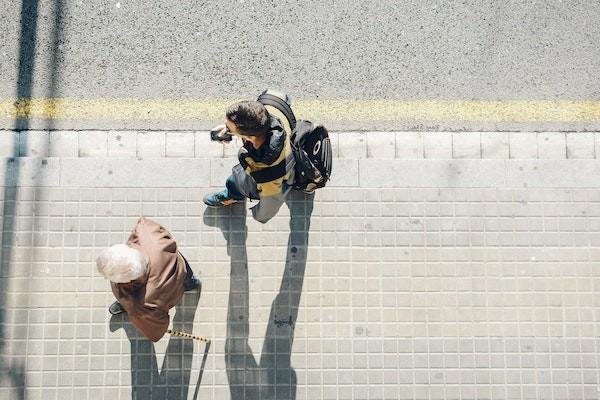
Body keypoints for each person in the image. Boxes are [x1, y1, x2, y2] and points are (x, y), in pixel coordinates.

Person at [96, 216, 200, 342]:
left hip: (168, 293)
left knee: (130, 301)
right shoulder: (144, 230)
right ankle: (191, 283)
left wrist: (130, 305)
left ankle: (124, 304)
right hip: (175, 262)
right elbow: (144, 222)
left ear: (128, 281)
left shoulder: (142, 304)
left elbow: (155, 332)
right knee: (186, 276)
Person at [203, 96, 295, 224]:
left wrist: (258, 215)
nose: (226, 130)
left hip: (272, 176)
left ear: (250, 137)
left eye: (229, 129)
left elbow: (268, 209)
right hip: (290, 155)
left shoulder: (268, 175)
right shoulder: (269, 107)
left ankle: (233, 194)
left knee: (236, 180)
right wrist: (231, 130)